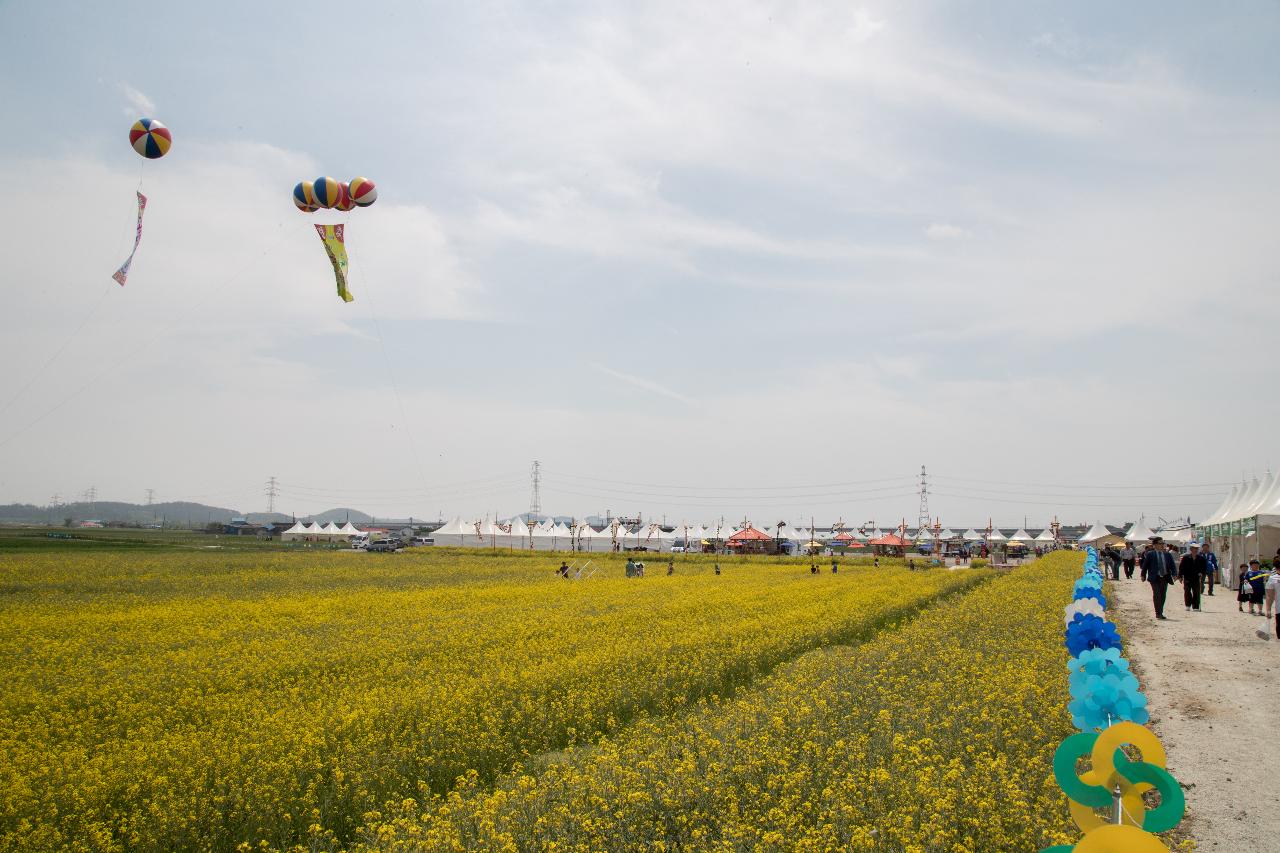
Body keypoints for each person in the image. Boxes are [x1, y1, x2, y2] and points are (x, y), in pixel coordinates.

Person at [1140, 536, 1176, 620]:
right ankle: (1158, 613)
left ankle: (1160, 611)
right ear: (1155, 545)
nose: (1162, 545)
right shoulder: (1150, 554)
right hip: (1154, 578)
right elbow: (1145, 565)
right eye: (1160, 543)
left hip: (1165, 577)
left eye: (1163, 543)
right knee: (1157, 595)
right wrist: (1143, 575)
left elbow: (1172, 565)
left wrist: (1174, 574)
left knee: (1162, 595)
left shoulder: (1167, 555)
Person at [1178, 542, 1207, 612]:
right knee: (1187, 591)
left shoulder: (1201, 558)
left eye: (1197, 549)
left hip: (1196, 577)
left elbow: (1204, 568)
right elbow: (1181, 567)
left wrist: (1201, 573)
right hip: (1187, 577)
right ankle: (1188, 605)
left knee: (1196, 592)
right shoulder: (1186, 558)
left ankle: (1196, 606)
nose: (1195, 550)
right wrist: (1180, 576)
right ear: (1191, 549)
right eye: (1194, 549)